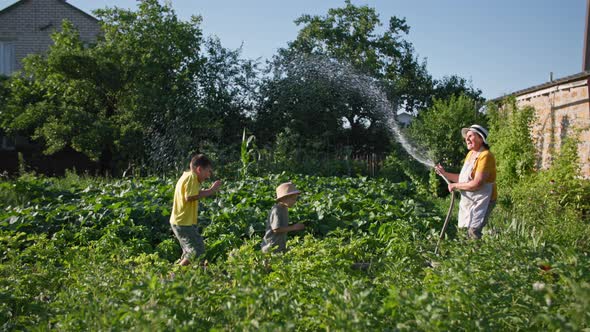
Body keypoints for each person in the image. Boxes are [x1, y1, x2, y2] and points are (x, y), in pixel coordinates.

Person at [435, 124, 497, 239]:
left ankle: (478, 255)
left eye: (470, 136)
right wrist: (444, 173)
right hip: (472, 198)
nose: (466, 139)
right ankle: (469, 254)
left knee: (473, 231)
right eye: (466, 137)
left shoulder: (486, 156)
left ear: (480, 138)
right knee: (466, 230)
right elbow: (464, 179)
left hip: (484, 199)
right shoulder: (470, 154)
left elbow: (477, 183)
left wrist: (455, 186)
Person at [170, 154, 222, 266]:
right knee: (197, 251)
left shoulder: (188, 176)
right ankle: (174, 275)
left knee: (190, 252)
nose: (208, 175)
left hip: (182, 221)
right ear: (199, 169)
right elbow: (189, 196)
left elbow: (191, 194)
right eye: (208, 171)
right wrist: (211, 190)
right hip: (183, 222)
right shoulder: (192, 177)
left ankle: (192, 275)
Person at [261, 182, 305, 253]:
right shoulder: (276, 210)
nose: (294, 202)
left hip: (279, 245)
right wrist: (293, 227)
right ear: (284, 198)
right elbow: (276, 229)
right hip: (270, 246)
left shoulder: (285, 209)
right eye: (293, 199)